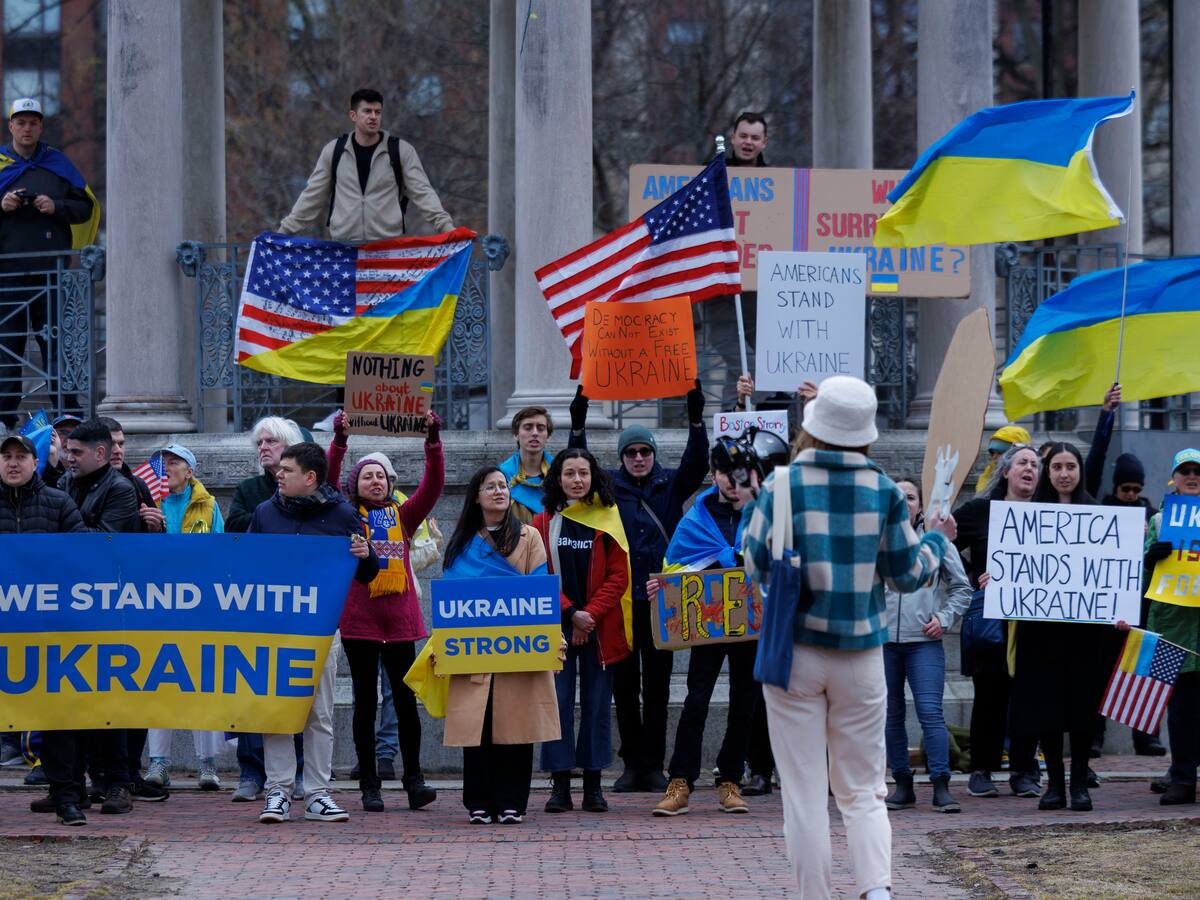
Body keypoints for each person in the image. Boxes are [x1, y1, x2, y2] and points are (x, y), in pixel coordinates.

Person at [742, 375, 956, 899]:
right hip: (861, 653)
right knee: (864, 790)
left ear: (813, 427)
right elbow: (908, 574)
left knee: (804, 795)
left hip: (793, 651)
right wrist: (934, 536)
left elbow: (753, 562)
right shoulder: (883, 488)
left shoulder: (783, 484)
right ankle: (876, 889)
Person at [568, 382, 710, 792]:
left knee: (660, 686)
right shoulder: (609, 487)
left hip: (661, 600)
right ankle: (632, 762)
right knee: (626, 686)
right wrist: (578, 424)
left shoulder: (671, 484)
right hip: (623, 602)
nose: (638, 458)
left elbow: (696, 462)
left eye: (644, 451)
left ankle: (653, 763)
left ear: (653, 454)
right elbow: (579, 466)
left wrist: (696, 417)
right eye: (630, 453)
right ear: (623, 458)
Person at [248, 442, 379, 824]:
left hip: (321, 631)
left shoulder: (342, 514)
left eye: (287, 470)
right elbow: (248, 567)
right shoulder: (265, 513)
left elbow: (369, 573)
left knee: (318, 713)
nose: (278, 474)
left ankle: (318, 793)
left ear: (310, 477)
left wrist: (365, 553)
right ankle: (278, 792)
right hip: (274, 630)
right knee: (276, 712)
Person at [651, 435, 779, 818]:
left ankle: (730, 780)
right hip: (708, 625)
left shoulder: (766, 516)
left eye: (737, 473)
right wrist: (661, 585)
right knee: (696, 700)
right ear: (714, 474)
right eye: (723, 472)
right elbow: (675, 567)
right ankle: (681, 781)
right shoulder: (696, 519)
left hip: (752, 625)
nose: (729, 480)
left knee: (745, 703)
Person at [437, 466, 562, 824]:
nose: (498, 491)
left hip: (518, 648)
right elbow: (452, 599)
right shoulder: (461, 543)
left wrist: (552, 639)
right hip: (474, 651)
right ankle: (478, 800)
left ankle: (512, 802)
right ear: (476, 496)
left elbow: (539, 589)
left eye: (503, 485)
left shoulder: (529, 537)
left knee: (516, 727)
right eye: (489, 486)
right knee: (479, 726)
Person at [325, 417, 445, 782]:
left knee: (406, 704)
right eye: (367, 476)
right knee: (365, 704)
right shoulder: (345, 516)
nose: (376, 481)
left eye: (381, 476)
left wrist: (433, 440)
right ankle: (369, 784)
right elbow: (329, 482)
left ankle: (414, 780)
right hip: (361, 623)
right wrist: (340, 440)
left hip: (399, 622)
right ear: (356, 485)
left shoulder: (404, 516)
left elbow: (434, 485)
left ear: (390, 484)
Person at [531, 449, 631, 814]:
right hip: (556, 630)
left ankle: (593, 786)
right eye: (569, 473)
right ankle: (559, 787)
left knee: (596, 707)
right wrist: (571, 613)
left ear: (593, 477)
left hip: (600, 631)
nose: (576, 480)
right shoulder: (542, 523)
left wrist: (589, 615)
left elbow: (619, 576)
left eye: (583, 473)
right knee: (555, 705)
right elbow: (537, 574)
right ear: (557, 478)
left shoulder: (608, 520)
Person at [1009, 443, 1105, 812]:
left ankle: (1080, 783)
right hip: (1040, 631)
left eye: (1071, 466)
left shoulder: (1098, 515)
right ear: (1048, 472)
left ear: (1080, 471)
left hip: (1084, 633)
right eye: (1057, 467)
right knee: (1045, 708)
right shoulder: (1027, 516)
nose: (1064, 473)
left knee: (1081, 710)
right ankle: (1054, 785)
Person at [0, 433, 87, 825]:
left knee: (57, 717)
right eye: (7, 457)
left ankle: (65, 796)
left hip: (50, 630)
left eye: (21, 456)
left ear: (36, 463)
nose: (13, 463)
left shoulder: (58, 502)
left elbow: (82, 556)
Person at [59, 418, 141, 814]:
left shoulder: (121, 489)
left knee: (109, 697)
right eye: (67, 451)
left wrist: (62, 531)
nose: (68, 458)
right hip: (74, 602)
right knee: (77, 697)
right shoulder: (64, 484)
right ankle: (80, 782)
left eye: (76, 453)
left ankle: (118, 783)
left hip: (111, 605)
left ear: (100, 454)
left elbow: (103, 543)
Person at [953, 444, 1043, 800]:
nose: (1030, 468)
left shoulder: (1050, 514)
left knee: (1028, 698)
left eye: (1035, 464)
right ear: (1005, 471)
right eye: (1022, 462)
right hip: (991, 620)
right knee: (989, 696)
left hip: (1034, 623)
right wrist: (972, 577)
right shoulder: (980, 511)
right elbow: (943, 542)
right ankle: (981, 770)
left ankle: (1024, 770)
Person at [0, 100, 96, 432]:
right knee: (7, 349)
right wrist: (3, 203)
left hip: (52, 275)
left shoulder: (58, 163)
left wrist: (55, 205)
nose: (27, 129)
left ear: (41, 127)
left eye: (33, 123)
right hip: (7, 275)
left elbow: (85, 207)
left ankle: (67, 414)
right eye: (21, 123)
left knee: (57, 346)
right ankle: (3, 418)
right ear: (10, 127)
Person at [224, 416, 306, 802]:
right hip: (254, 599)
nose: (263, 448)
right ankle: (251, 771)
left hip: (297, 600)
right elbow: (235, 526)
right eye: (259, 443)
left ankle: (301, 771)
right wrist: (272, 511)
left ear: (289, 446)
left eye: (271, 442)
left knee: (296, 686)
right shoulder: (248, 488)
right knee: (252, 685)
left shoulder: (308, 489)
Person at [141, 444, 227, 793]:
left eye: (174, 463)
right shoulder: (151, 503)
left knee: (202, 681)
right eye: (163, 463)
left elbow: (220, 549)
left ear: (189, 471)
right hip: (158, 605)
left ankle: (207, 764)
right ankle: (158, 763)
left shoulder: (208, 505)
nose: (167, 468)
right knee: (157, 681)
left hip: (200, 605)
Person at [882, 478, 971, 814]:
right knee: (891, 715)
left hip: (924, 643)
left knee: (930, 712)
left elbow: (962, 588)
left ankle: (941, 785)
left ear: (920, 504)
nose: (903, 502)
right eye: (896, 497)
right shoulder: (879, 541)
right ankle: (902, 783)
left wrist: (944, 619)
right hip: (885, 643)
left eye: (910, 497)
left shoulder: (936, 542)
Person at [278, 87, 453, 242]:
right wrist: (282, 232)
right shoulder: (333, 151)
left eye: (378, 112)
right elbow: (312, 196)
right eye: (367, 111)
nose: (373, 117)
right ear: (353, 115)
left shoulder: (401, 151)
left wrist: (447, 228)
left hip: (388, 249)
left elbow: (423, 193)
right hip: (344, 251)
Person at [1144, 448, 1200, 805]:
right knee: (1177, 706)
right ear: (1174, 478)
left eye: (1198, 471)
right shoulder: (1157, 522)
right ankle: (1181, 776)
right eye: (1185, 471)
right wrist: (1151, 557)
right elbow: (1141, 577)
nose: (1192, 477)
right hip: (1170, 627)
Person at [709, 112, 769, 410]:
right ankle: (731, 426)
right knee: (742, 363)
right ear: (733, 138)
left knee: (767, 367)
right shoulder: (711, 176)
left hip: (759, 299)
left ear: (764, 142)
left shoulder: (778, 183)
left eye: (755, 137)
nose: (748, 142)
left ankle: (740, 423)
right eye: (743, 136)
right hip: (719, 298)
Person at [498, 405, 556, 524]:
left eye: (540, 428)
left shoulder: (560, 474)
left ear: (548, 436)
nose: (535, 433)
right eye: (528, 427)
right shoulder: (501, 476)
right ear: (516, 435)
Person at [974, 424, 1033, 495]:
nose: (994, 457)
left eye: (1000, 452)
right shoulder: (987, 476)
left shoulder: (1034, 479)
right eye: (992, 452)